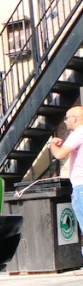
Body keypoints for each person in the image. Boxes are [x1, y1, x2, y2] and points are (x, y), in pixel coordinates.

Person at [48, 105, 83, 254]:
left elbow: (60, 154)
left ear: (75, 118)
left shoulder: (79, 132)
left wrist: (51, 144)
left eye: (67, 118)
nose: (65, 122)